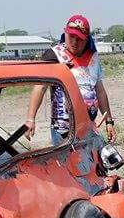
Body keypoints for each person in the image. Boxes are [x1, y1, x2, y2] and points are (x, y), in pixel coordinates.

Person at [25, 14, 116, 146]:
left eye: (79, 39)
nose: (74, 42)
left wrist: (109, 121)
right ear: (65, 33)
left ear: (87, 39)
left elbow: (100, 91)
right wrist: (30, 119)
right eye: (71, 36)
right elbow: (40, 87)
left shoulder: (93, 57)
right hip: (64, 131)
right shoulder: (54, 55)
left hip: (89, 127)